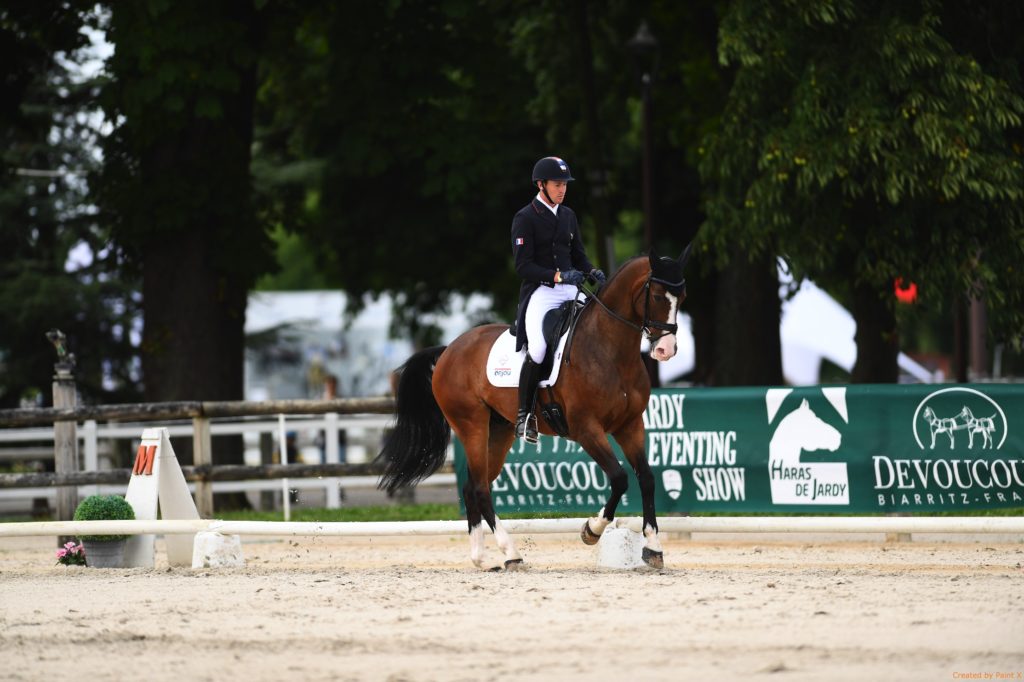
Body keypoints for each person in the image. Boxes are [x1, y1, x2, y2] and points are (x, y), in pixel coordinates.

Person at [511, 156, 605, 443]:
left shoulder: (568, 216)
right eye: (557, 184)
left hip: (571, 288)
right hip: (542, 293)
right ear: (541, 185)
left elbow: (577, 253)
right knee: (538, 347)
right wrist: (558, 276)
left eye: (564, 184)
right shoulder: (525, 218)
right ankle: (524, 415)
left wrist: (591, 270)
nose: (562, 189)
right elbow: (523, 266)